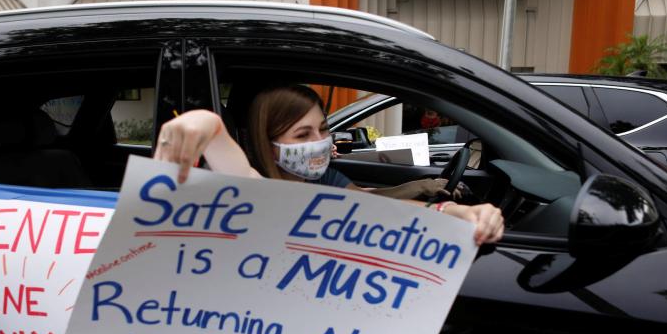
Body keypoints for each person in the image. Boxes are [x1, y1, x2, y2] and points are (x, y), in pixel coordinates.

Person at [152, 85, 504, 246]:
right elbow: (235, 168)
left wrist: (454, 212)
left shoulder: (323, 184)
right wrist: (206, 123)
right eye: (301, 134)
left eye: (322, 129)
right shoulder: (258, 195)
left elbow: (375, 207)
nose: (318, 142)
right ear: (268, 144)